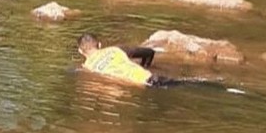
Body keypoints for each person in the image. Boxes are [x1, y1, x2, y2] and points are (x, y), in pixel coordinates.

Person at [77, 32, 233, 90]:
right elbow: (149, 52)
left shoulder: (87, 69)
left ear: (80, 51)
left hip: (146, 87)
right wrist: (145, 67)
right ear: (99, 44)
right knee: (197, 85)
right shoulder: (115, 49)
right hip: (150, 78)